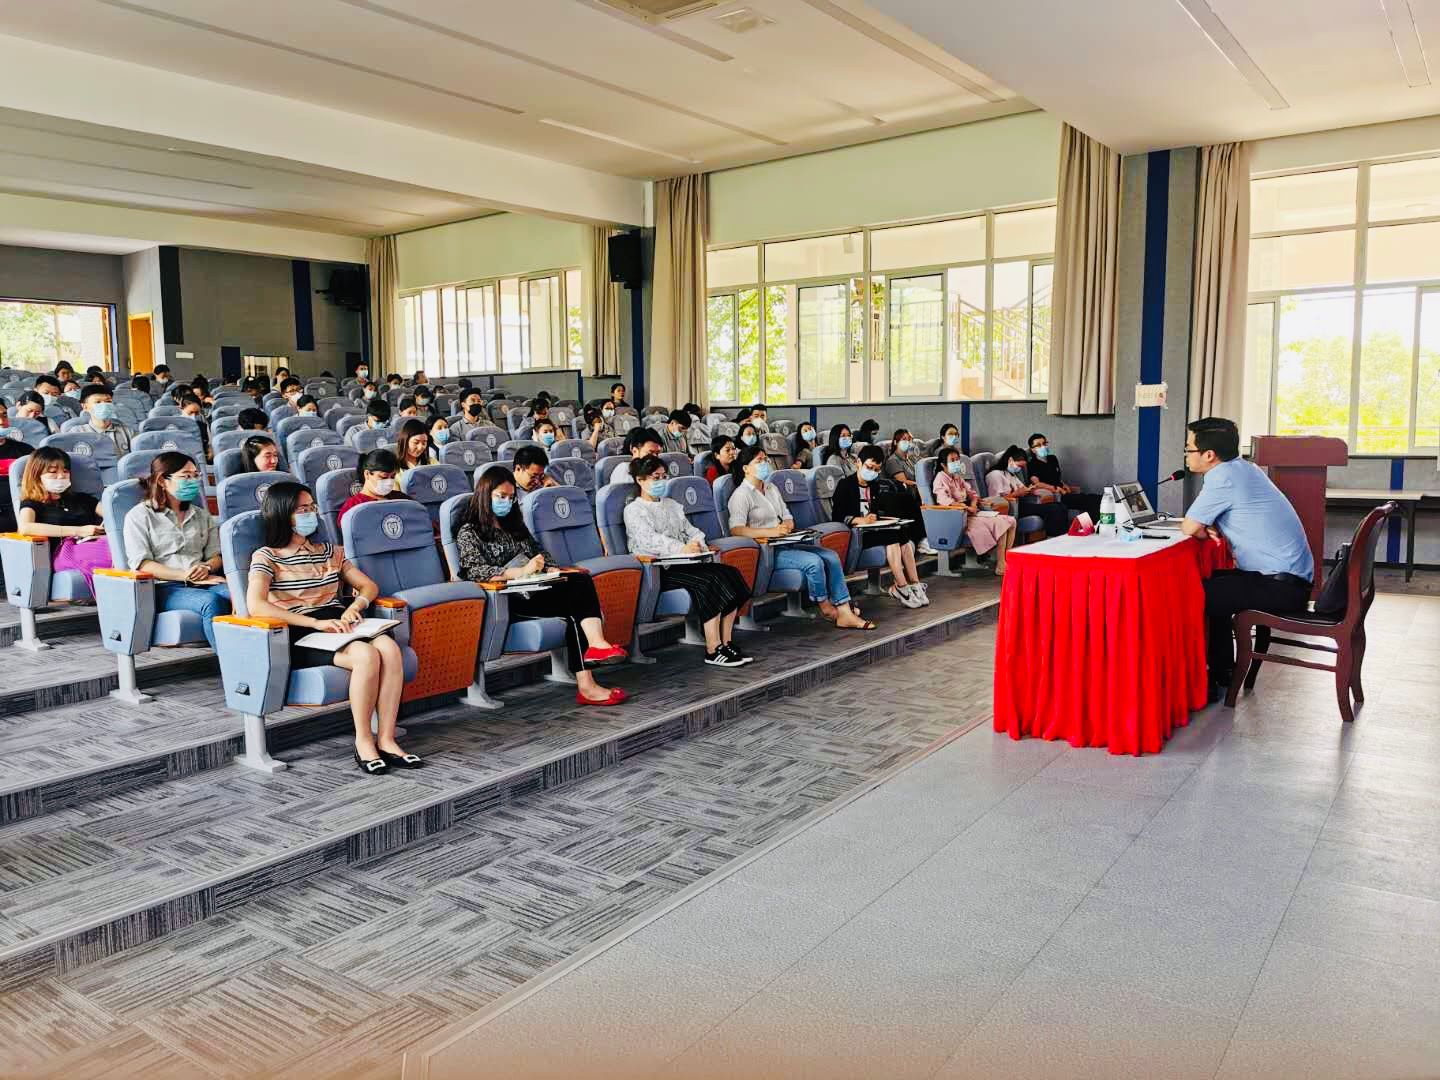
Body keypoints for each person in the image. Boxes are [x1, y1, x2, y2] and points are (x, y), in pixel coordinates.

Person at [247, 482, 415, 773]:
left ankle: (387, 738)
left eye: (312, 507)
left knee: (389, 648)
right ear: (283, 513)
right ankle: (364, 741)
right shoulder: (266, 556)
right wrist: (316, 623)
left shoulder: (330, 551)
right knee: (366, 655)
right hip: (300, 629)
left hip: (338, 621)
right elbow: (256, 605)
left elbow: (368, 586)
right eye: (302, 509)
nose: (311, 513)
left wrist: (355, 606)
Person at [455, 468, 628, 704]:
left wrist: (548, 567)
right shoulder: (469, 531)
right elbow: (475, 571)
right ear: (485, 495)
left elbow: (539, 552)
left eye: (510, 497)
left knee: (579, 580)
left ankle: (592, 666)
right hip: (507, 598)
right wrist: (520, 572)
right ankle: (591, 672)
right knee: (576, 605)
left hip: (534, 589)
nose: (506, 502)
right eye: (500, 496)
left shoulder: (514, 525)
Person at [1180, 417, 1314, 695]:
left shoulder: (1222, 477)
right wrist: (1207, 526)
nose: (1186, 455)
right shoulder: (1245, 468)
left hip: (1280, 587)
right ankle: (1222, 670)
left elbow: (1189, 527)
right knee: (1213, 583)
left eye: (1189, 449)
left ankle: (1206, 677)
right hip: (1289, 581)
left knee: (1193, 594)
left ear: (1209, 455)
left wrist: (1203, 529)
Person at [623, 455, 753, 667]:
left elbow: (691, 530)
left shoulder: (672, 505)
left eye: (664, 477)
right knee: (711, 580)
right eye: (656, 477)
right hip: (659, 568)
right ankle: (713, 649)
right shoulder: (634, 510)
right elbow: (648, 540)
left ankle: (726, 642)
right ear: (640, 480)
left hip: (684, 562)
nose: (661, 481)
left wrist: (697, 543)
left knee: (730, 573)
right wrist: (681, 548)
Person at [727, 445, 874, 629]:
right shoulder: (741, 495)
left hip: (787, 542)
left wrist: (787, 525)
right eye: (759, 461)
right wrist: (770, 532)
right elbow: (737, 529)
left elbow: (787, 515)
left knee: (831, 556)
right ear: (746, 468)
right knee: (814, 562)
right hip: (768, 551)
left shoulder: (771, 488)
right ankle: (827, 608)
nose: (765, 464)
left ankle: (844, 611)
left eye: (765, 459)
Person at [122, 452, 230, 648]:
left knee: (238, 594)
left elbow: (216, 556)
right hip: (164, 587)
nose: (193, 481)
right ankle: (230, 662)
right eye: (186, 476)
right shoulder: (139, 516)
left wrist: (206, 567)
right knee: (211, 602)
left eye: (196, 475)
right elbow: (142, 564)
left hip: (203, 580)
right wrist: (185, 575)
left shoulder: (201, 515)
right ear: (162, 480)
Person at [831, 444, 927, 608]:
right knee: (892, 537)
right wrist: (860, 520)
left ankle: (915, 584)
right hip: (856, 534)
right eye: (869, 467)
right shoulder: (845, 485)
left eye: (876, 470)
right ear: (858, 463)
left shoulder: (874, 485)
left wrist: (884, 519)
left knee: (902, 534)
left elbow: (875, 511)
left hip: (873, 529)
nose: (873, 472)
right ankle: (901, 587)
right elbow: (837, 517)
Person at [15, 446, 112, 597]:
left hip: (92, 543)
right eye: (53, 472)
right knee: (114, 551)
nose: (61, 476)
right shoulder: (32, 503)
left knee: (119, 545)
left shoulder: (83, 499)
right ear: (37, 474)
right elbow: (25, 528)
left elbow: (113, 514)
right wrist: (79, 530)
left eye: (65, 471)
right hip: (63, 552)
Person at [932, 446, 1016, 575]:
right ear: (943, 464)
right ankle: (1000, 565)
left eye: (957, 459)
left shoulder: (957, 477)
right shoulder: (940, 478)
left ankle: (1006, 560)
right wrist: (967, 508)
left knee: (1011, 521)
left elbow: (972, 494)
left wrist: (973, 504)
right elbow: (944, 501)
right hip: (957, 518)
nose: (956, 462)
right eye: (952, 460)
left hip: (970, 513)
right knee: (1002, 524)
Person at [986, 445, 1069, 538]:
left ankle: (1064, 537)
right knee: (1054, 509)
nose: (1019, 469)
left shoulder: (1011, 474)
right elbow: (996, 501)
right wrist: (1016, 494)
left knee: (1060, 506)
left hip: (1020, 504)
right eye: (1019, 466)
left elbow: (1023, 488)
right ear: (1010, 460)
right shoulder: (995, 475)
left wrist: (1030, 490)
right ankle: (1055, 538)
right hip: (1011, 509)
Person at [882, 427, 936, 554]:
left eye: (909, 439)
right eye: (904, 439)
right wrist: (920, 485)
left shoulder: (910, 459)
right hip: (905, 494)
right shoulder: (893, 461)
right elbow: (902, 481)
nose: (907, 442)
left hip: (917, 491)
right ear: (896, 442)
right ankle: (922, 540)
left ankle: (933, 536)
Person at [1025, 433, 1102, 522]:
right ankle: (1089, 525)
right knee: (1091, 500)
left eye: (1044, 443)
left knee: (1096, 499)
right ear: (1033, 449)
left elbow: (1057, 477)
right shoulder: (1032, 464)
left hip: (1064, 493)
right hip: (1056, 495)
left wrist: (1064, 485)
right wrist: (1055, 489)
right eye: (1039, 445)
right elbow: (1036, 483)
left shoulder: (1052, 459)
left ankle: (1093, 525)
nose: (1043, 447)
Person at [337, 448, 411, 525]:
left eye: (392, 477)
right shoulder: (353, 507)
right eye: (383, 477)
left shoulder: (401, 498)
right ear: (367, 474)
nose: (389, 482)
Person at [74, 384, 133, 454]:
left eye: (108, 401)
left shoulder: (127, 431)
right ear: (85, 406)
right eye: (98, 402)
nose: (104, 405)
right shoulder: (77, 433)